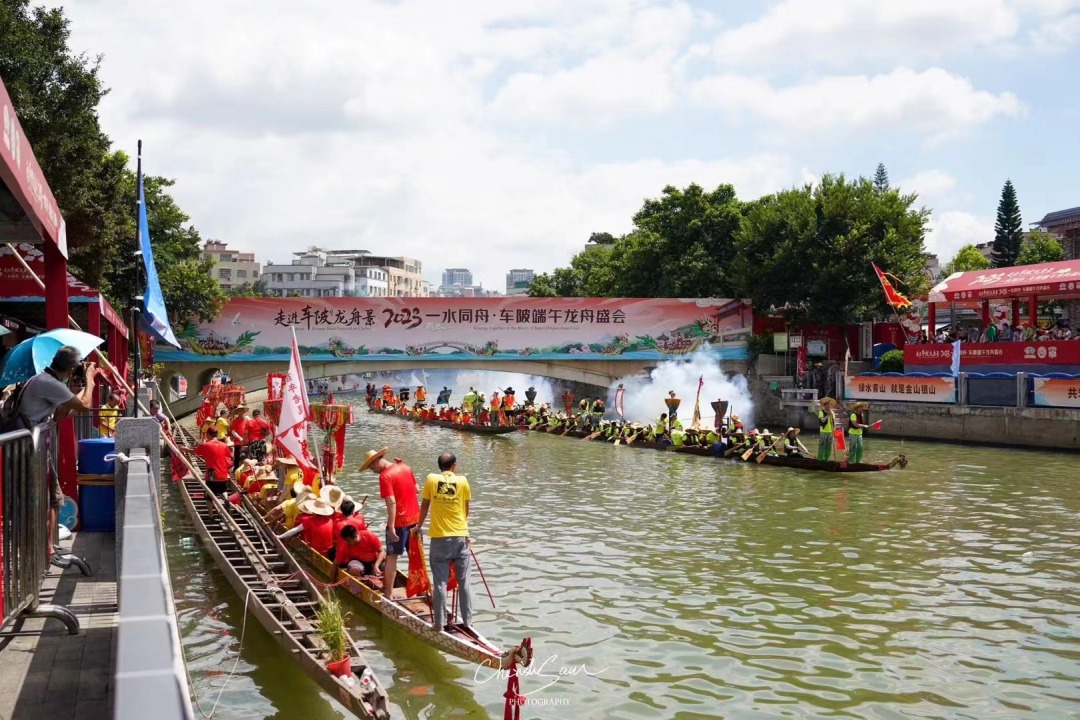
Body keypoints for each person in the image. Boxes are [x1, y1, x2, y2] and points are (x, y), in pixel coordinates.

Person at [7, 346, 99, 548]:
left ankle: (45, 546)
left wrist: (71, 394)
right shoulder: (48, 383)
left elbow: (59, 416)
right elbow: (84, 406)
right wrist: (90, 380)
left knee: (47, 498)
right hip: (31, 449)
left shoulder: (42, 379)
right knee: (52, 498)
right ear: (71, 368)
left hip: (31, 449)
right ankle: (47, 548)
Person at [416, 452, 472, 632]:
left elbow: (424, 505)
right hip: (459, 538)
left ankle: (439, 624)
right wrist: (464, 531)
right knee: (464, 582)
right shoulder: (462, 481)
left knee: (440, 582)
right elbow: (466, 509)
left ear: (439, 466)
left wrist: (417, 527)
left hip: (439, 539)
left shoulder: (431, 479)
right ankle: (468, 621)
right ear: (454, 465)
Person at [360, 447, 420, 598]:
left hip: (399, 522)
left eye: (371, 467)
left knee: (391, 557)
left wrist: (391, 526)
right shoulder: (405, 467)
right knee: (415, 556)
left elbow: (391, 502)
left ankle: (388, 595)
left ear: (376, 462)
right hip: (415, 520)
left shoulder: (385, 476)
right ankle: (418, 591)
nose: (373, 471)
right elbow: (417, 489)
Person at [184, 427, 233, 494]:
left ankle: (211, 502)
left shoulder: (205, 445)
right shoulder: (224, 445)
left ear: (208, 435)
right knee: (223, 490)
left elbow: (194, 451)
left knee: (209, 497)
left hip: (212, 473)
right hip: (223, 473)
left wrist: (184, 449)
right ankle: (226, 499)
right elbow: (232, 457)